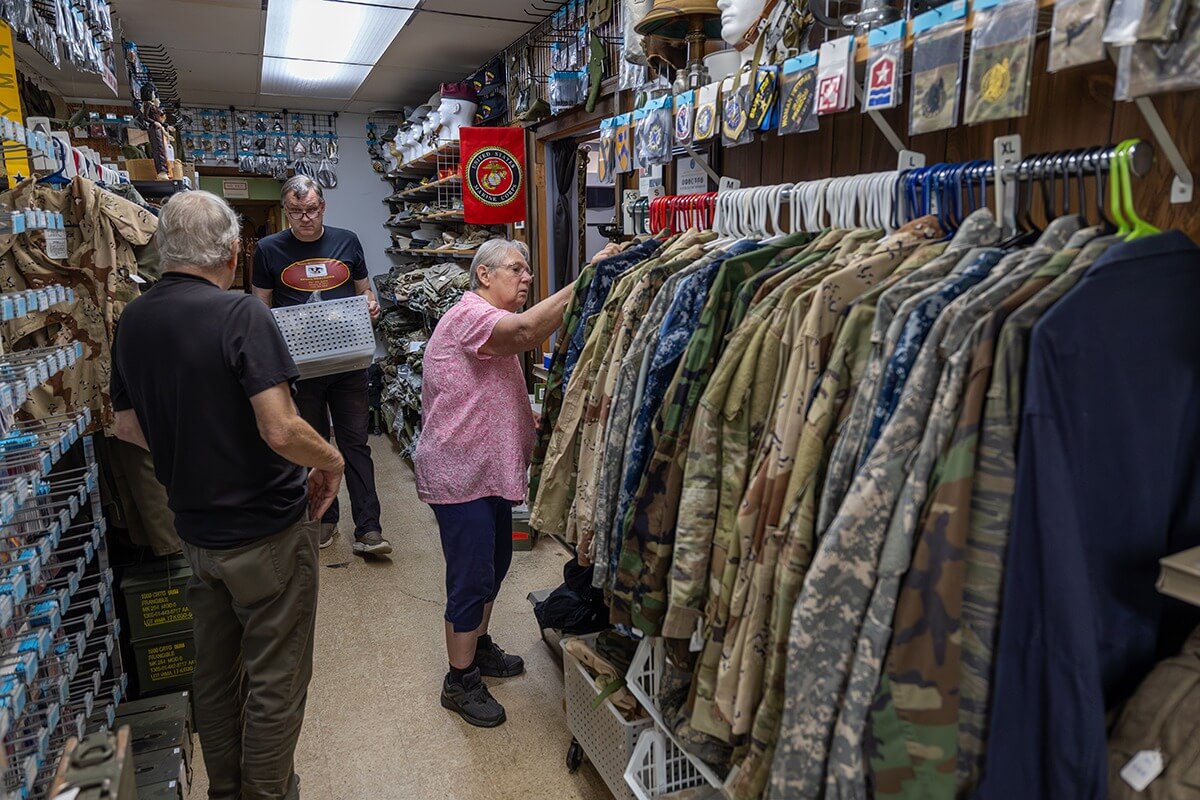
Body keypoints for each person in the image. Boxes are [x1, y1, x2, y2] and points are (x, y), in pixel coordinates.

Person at [111, 191, 344, 800]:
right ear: (234, 249)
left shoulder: (134, 319)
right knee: (276, 679)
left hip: (195, 536)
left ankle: (225, 791)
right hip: (265, 532)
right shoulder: (241, 314)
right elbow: (280, 427)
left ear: (164, 247)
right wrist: (332, 459)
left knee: (213, 676)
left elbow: (127, 428)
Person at [415, 238, 618, 728]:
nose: (526, 277)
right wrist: (587, 278)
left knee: (494, 565)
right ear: (484, 275)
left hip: (486, 473)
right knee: (469, 578)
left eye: (528, 269)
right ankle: (457, 681)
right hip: (461, 474)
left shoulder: (485, 320)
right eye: (517, 269)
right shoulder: (471, 315)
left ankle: (478, 648)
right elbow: (527, 330)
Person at [252, 175, 390, 556]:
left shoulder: (347, 241)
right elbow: (260, 307)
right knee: (313, 446)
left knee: (355, 443)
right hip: (301, 370)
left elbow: (365, 293)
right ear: (286, 211)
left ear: (323, 207)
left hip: (349, 364)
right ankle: (324, 521)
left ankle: (369, 528)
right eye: (296, 212)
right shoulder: (267, 249)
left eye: (311, 210)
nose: (305, 218)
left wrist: (372, 306)